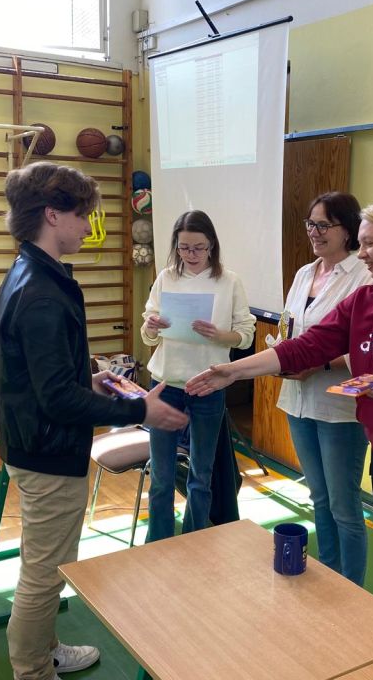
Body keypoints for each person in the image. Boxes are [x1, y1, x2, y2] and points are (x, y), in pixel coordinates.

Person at [187, 198, 373, 602]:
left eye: (370, 243)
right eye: (361, 244)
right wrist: (234, 371)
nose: (362, 254)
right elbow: (305, 347)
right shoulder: (366, 301)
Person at [0, 161, 187, 680]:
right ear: (52, 215)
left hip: (37, 442)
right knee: (44, 574)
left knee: (46, 563)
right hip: (48, 452)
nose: (87, 226)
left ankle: (44, 648)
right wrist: (140, 409)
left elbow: (46, 376)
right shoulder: (40, 291)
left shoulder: (33, 272)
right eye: (82, 216)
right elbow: (57, 399)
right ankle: (33, 670)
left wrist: (89, 381)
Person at [140, 210, 256, 542]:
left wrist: (220, 335)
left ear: (212, 246)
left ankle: (195, 544)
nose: (190, 255)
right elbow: (148, 336)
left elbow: (246, 334)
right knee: (161, 476)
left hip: (208, 384)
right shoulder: (166, 278)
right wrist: (151, 326)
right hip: (167, 384)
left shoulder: (229, 281)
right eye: (184, 248)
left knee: (201, 476)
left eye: (198, 248)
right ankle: (158, 544)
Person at [277, 192, 373, 585]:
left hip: (339, 408)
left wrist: (318, 364)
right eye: (310, 224)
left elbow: (367, 347)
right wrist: (282, 351)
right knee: (318, 497)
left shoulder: (363, 276)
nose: (314, 233)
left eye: (323, 225)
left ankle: (352, 591)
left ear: (347, 230)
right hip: (298, 401)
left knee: (344, 506)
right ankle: (330, 579)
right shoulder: (305, 273)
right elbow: (290, 327)